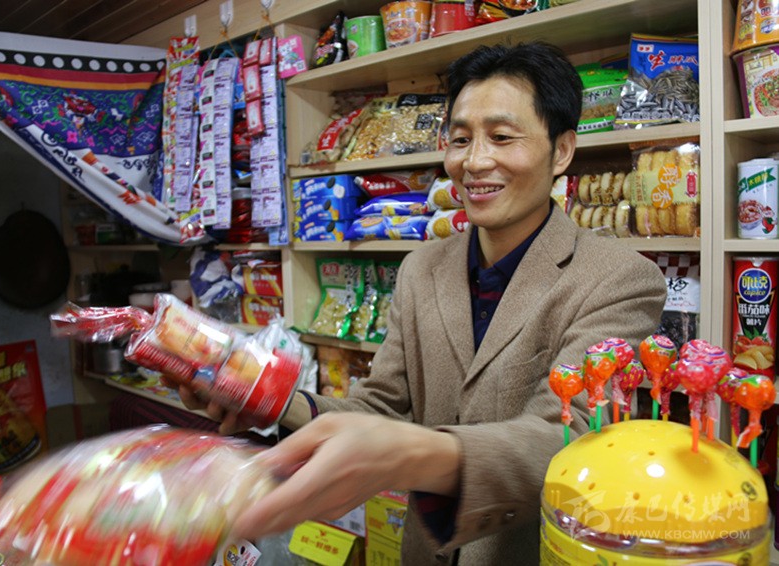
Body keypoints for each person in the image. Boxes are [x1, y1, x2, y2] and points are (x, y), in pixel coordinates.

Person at [174, 42, 667, 564]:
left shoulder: (618, 279)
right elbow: (380, 406)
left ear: (562, 150)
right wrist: (267, 400)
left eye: (502, 137)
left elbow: (573, 439)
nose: (474, 161)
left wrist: (410, 454)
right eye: (460, 139)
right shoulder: (422, 268)